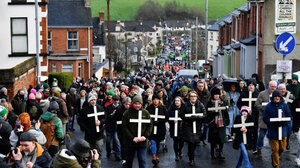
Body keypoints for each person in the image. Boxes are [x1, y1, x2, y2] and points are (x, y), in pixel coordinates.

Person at [122, 96, 153, 168]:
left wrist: (145, 136)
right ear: (132, 104)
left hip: (142, 142)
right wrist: (132, 137)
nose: (137, 105)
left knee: (142, 159)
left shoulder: (145, 112)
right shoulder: (127, 113)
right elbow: (124, 127)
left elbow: (150, 125)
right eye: (135, 103)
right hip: (130, 142)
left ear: (141, 104)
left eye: (139, 104)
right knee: (129, 160)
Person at [263, 90, 292, 168]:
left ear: (280, 97)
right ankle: (276, 165)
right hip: (273, 131)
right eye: (275, 96)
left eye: (278, 96)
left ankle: (274, 156)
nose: (277, 98)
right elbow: (265, 118)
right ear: (273, 97)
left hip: (283, 130)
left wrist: (283, 122)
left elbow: (289, 116)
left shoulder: (284, 105)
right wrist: (273, 123)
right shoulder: (268, 106)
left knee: (282, 147)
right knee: (275, 149)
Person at [181, 91, 206, 166]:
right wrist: (190, 118)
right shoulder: (185, 105)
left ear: (197, 97)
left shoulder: (200, 105)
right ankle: (191, 159)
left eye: (194, 96)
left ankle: (190, 153)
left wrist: (197, 117)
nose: (193, 98)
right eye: (191, 96)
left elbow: (204, 115)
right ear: (189, 97)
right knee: (191, 142)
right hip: (188, 126)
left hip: (197, 126)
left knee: (195, 142)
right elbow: (181, 115)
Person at [254, 80, 277, 157]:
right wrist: (266, 108)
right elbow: (256, 105)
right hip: (264, 118)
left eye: (275, 87)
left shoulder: (277, 94)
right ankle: (259, 149)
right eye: (272, 86)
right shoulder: (262, 94)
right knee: (261, 136)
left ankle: (274, 151)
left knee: (273, 136)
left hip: (274, 119)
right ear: (269, 86)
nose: (273, 88)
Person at [237, 79, 260, 153]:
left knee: (255, 131)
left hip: (255, 115)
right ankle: (246, 145)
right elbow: (239, 104)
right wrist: (244, 111)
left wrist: (255, 110)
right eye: (249, 85)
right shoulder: (244, 93)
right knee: (246, 130)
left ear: (255, 86)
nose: (251, 87)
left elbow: (260, 105)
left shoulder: (258, 94)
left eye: (252, 85)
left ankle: (254, 147)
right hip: (246, 116)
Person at [207, 88, 229, 160]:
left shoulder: (222, 102)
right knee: (213, 139)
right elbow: (207, 113)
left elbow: (225, 112)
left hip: (221, 123)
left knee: (221, 139)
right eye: (215, 94)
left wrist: (227, 120)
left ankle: (221, 151)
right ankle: (212, 152)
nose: (216, 96)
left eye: (217, 94)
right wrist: (213, 113)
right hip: (213, 123)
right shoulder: (210, 103)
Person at [146, 94, 168, 166]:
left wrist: (159, 122)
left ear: (159, 100)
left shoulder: (163, 108)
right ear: (152, 100)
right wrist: (152, 122)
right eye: (154, 99)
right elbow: (146, 117)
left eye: (157, 99)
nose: (155, 101)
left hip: (160, 128)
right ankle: (154, 156)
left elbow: (166, 118)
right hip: (151, 128)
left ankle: (156, 155)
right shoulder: (149, 108)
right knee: (152, 142)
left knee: (158, 143)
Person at [115, 97, 131, 167]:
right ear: (123, 104)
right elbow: (115, 120)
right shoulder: (119, 111)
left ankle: (128, 157)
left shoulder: (131, 111)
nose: (127, 105)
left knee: (129, 145)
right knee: (123, 145)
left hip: (130, 131)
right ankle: (124, 159)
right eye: (126, 104)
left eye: (128, 104)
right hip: (121, 131)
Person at [105, 95, 121, 160]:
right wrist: (112, 115)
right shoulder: (108, 107)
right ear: (112, 100)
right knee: (108, 141)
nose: (116, 102)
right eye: (115, 100)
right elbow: (106, 117)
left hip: (116, 127)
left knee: (116, 140)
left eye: (117, 100)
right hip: (109, 126)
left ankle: (117, 154)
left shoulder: (120, 107)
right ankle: (108, 152)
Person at [168, 96, 184, 161]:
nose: (177, 102)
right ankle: (176, 154)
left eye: (178, 101)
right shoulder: (171, 109)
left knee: (181, 141)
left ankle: (180, 150)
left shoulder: (184, 108)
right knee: (175, 141)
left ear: (181, 102)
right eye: (176, 101)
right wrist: (172, 121)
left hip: (181, 128)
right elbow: (168, 118)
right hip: (173, 127)